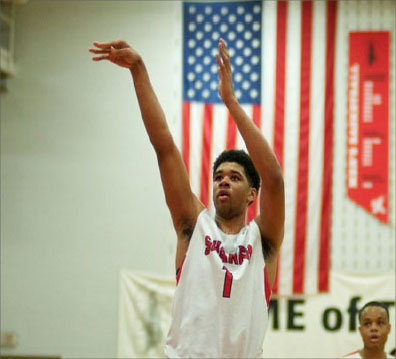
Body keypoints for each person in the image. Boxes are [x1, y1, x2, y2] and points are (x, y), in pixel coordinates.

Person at [90, 37, 284, 358]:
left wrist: (231, 102)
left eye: (234, 178)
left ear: (252, 195)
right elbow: (164, 146)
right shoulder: (194, 225)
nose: (223, 182)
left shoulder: (262, 240)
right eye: (218, 177)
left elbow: (274, 179)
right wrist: (138, 70)